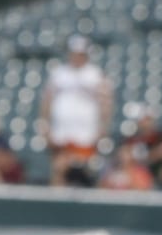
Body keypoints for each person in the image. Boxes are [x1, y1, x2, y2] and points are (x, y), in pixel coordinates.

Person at [43, 35, 111, 187]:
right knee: (59, 167)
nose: (76, 57)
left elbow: (106, 102)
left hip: (87, 133)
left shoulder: (95, 74)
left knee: (89, 170)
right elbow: (47, 101)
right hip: (61, 132)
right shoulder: (59, 73)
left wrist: (103, 126)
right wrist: (45, 126)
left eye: (80, 54)